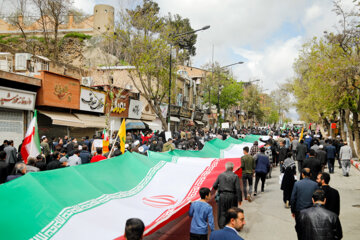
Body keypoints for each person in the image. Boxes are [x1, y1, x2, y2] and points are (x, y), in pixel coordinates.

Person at [213, 162, 242, 229]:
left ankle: (222, 226)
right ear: (232, 168)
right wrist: (239, 199)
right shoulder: (235, 176)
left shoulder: (221, 175)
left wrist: (219, 189)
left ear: (226, 167)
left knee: (222, 212)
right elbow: (238, 189)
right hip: (232, 196)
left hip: (222, 196)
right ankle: (231, 226)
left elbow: (214, 186)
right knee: (232, 212)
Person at [291, 168, 319, 239]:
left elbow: (293, 198)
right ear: (311, 175)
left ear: (302, 174)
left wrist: (293, 211)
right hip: (312, 211)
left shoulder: (297, 184)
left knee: (300, 229)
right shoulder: (315, 185)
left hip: (299, 211)